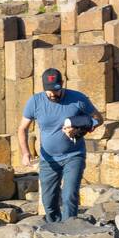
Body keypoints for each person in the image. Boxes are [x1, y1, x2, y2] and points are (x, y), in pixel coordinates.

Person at [17, 67, 103, 223]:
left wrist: (79, 129)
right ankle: (55, 227)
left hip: (74, 155)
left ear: (62, 84)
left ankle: (70, 229)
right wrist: (25, 153)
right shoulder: (35, 102)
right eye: (49, 91)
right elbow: (22, 128)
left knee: (69, 194)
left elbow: (98, 119)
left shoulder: (78, 99)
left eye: (56, 90)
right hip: (48, 159)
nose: (53, 94)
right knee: (48, 202)